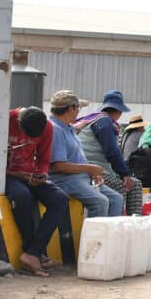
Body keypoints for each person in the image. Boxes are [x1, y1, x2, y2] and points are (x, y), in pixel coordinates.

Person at [5, 106, 69, 277]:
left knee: (60, 199)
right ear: (18, 122)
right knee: (22, 195)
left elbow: (44, 159)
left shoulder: (47, 127)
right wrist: (17, 175)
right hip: (7, 175)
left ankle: (32, 253)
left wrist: (41, 174)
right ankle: (33, 252)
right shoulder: (4, 120)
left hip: (30, 174)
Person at [48, 90, 124, 218]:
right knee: (101, 202)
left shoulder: (69, 128)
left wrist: (92, 172)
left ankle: (107, 236)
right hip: (64, 179)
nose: (79, 111)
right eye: (78, 108)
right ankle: (94, 237)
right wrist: (90, 168)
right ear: (71, 108)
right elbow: (59, 166)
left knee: (116, 199)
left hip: (80, 177)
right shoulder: (56, 130)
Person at [76, 90, 143, 215]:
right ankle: (122, 225)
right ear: (119, 111)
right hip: (93, 172)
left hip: (87, 169)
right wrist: (125, 174)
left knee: (133, 184)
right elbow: (112, 152)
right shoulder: (104, 122)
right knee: (127, 185)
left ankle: (129, 222)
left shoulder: (91, 120)